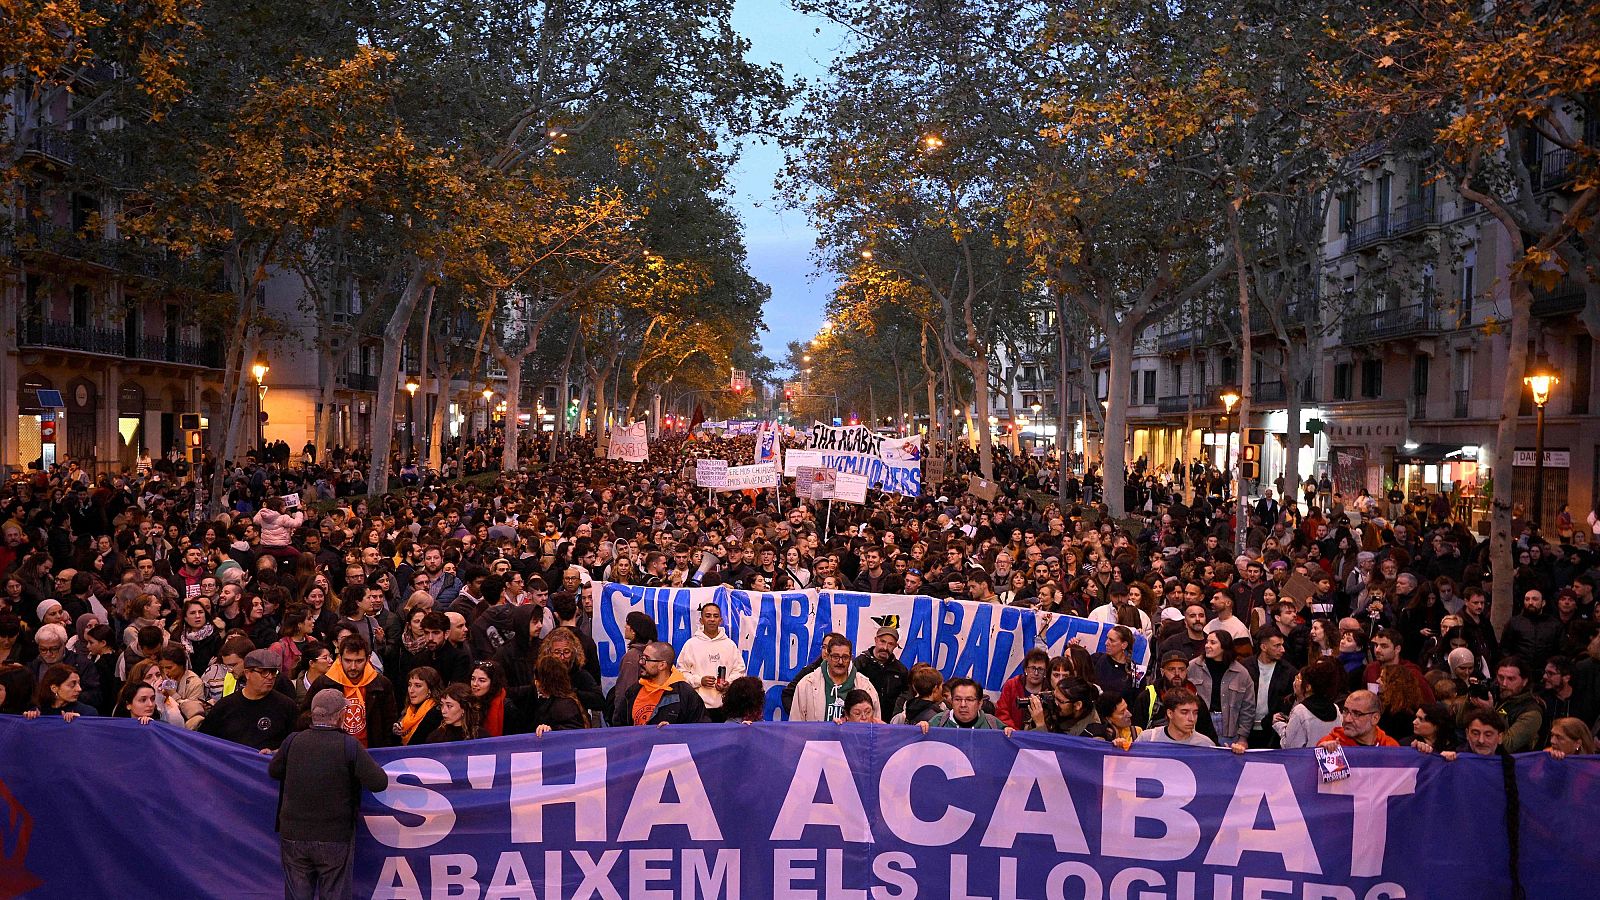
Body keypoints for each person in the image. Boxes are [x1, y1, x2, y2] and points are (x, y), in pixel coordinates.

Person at [269, 689, 389, 900]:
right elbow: (379, 782)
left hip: (294, 834)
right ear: (342, 715)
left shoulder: (292, 741)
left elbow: (274, 771)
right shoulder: (348, 745)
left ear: (314, 713)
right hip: (334, 836)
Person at [300, 635, 399, 749]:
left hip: (371, 750)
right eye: (348, 660)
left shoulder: (381, 684)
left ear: (368, 658)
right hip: (334, 750)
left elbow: (389, 722)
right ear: (339, 657)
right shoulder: (324, 683)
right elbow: (305, 717)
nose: (353, 667)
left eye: (359, 661)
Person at [199, 649, 299, 750]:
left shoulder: (287, 706)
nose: (270, 677)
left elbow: (296, 744)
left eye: (273, 672)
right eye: (263, 672)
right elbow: (205, 741)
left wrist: (276, 753)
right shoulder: (225, 706)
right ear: (247, 673)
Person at [1187, 631, 1253, 753]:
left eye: (1213, 642)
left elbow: (1247, 708)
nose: (1207, 645)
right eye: (1206, 642)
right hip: (1198, 724)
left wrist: (1243, 738)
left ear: (1224, 646)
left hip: (1228, 728)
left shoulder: (1241, 673)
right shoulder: (1192, 666)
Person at [676, 602, 744, 720]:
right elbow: (681, 673)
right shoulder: (691, 644)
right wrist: (699, 681)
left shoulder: (730, 645)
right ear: (701, 620)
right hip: (697, 707)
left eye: (715, 616)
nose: (712, 619)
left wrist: (728, 683)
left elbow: (740, 671)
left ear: (721, 620)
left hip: (725, 706)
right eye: (708, 616)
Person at [791, 635, 881, 722]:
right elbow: (795, 726)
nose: (840, 662)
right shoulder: (807, 684)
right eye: (835, 657)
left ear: (851, 658)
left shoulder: (865, 686)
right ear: (827, 656)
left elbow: (875, 728)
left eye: (845, 657)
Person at [620, 641, 706, 725]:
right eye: (641, 658)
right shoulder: (633, 691)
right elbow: (620, 727)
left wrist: (672, 731)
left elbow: (699, 731)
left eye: (646, 659)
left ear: (662, 665)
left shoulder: (686, 695)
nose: (641, 662)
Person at [1273, 658, 1342, 749]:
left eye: (1299, 679)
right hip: (1327, 760)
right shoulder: (1335, 708)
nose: (1295, 682)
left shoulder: (1300, 711)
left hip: (1306, 761)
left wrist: (1278, 724)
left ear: (1308, 687)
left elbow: (1289, 745)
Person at [853, 626, 909, 719]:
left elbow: (906, 695)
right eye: (882, 641)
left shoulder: (900, 670)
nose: (885, 647)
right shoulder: (860, 664)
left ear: (895, 646)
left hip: (889, 725)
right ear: (876, 640)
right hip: (863, 722)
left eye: (890, 644)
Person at [1318, 689, 1399, 748]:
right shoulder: (1329, 745)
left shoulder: (1390, 747)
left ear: (1375, 718)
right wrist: (1319, 754)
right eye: (1346, 711)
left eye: (1357, 714)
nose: (1347, 719)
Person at [922, 678, 1012, 731]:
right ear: (951, 701)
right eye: (957, 699)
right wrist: (919, 730)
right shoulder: (938, 722)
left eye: (969, 699)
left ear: (980, 703)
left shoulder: (993, 724)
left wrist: (1011, 735)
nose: (963, 704)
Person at [1135, 691, 1215, 747]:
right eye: (1184, 712)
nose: (1192, 719)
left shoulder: (1205, 744)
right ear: (1170, 713)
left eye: (1195, 713)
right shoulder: (1148, 739)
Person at [394, 666, 444, 746]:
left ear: (430, 690)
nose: (411, 690)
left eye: (418, 686)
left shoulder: (437, 714)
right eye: (409, 685)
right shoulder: (408, 711)